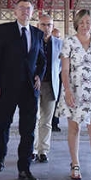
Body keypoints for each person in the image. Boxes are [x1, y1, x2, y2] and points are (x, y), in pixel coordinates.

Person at [0, 0, 46, 180]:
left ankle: (24, 168)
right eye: (21, 8)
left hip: (30, 89)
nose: (25, 11)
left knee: (28, 129)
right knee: (3, 124)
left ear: (32, 12)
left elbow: (42, 60)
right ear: (15, 12)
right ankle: (2, 154)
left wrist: (39, 75)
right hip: (6, 87)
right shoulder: (4, 30)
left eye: (28, 9)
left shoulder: (37, 33)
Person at [58, 9, 91, 180]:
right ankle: (75, 164)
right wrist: (67, 91)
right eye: (81, 22)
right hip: (74, 89)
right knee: (74, 128)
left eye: (88, 22)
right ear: (76, 24)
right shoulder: (69, 42)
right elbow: (64, 70)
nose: (85, 25)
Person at [32, 13, 61, 163]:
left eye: (49, 25)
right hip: (33, 85)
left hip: (50, 85)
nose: (46, 28)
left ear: (53, 27)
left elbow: (61, 65)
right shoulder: (32, 41)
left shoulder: (58, 43)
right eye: (43, 24)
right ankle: (32, 149)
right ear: (38, 26)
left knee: (46, 121)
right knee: (33, 118)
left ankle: (43, 150)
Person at [51, 28, 63, 132]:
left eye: (58, 37)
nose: (57, 39)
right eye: (55, 37)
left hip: (58, 76)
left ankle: (54, 123)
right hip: (46, 76)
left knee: (56, 100)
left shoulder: (62, 46)